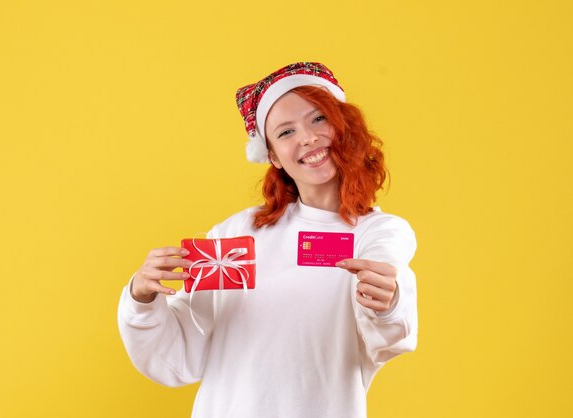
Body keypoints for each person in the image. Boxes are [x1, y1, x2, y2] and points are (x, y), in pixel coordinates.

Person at [117, 62, 418, 418]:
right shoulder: (238, 233)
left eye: (318, 119)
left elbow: (387, 336)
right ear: (272, 155)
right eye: (286, 132)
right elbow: (180, 354)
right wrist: (142, 297)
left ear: (343, 126)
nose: (307, 137)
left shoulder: (377, 233)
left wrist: (387, 300)